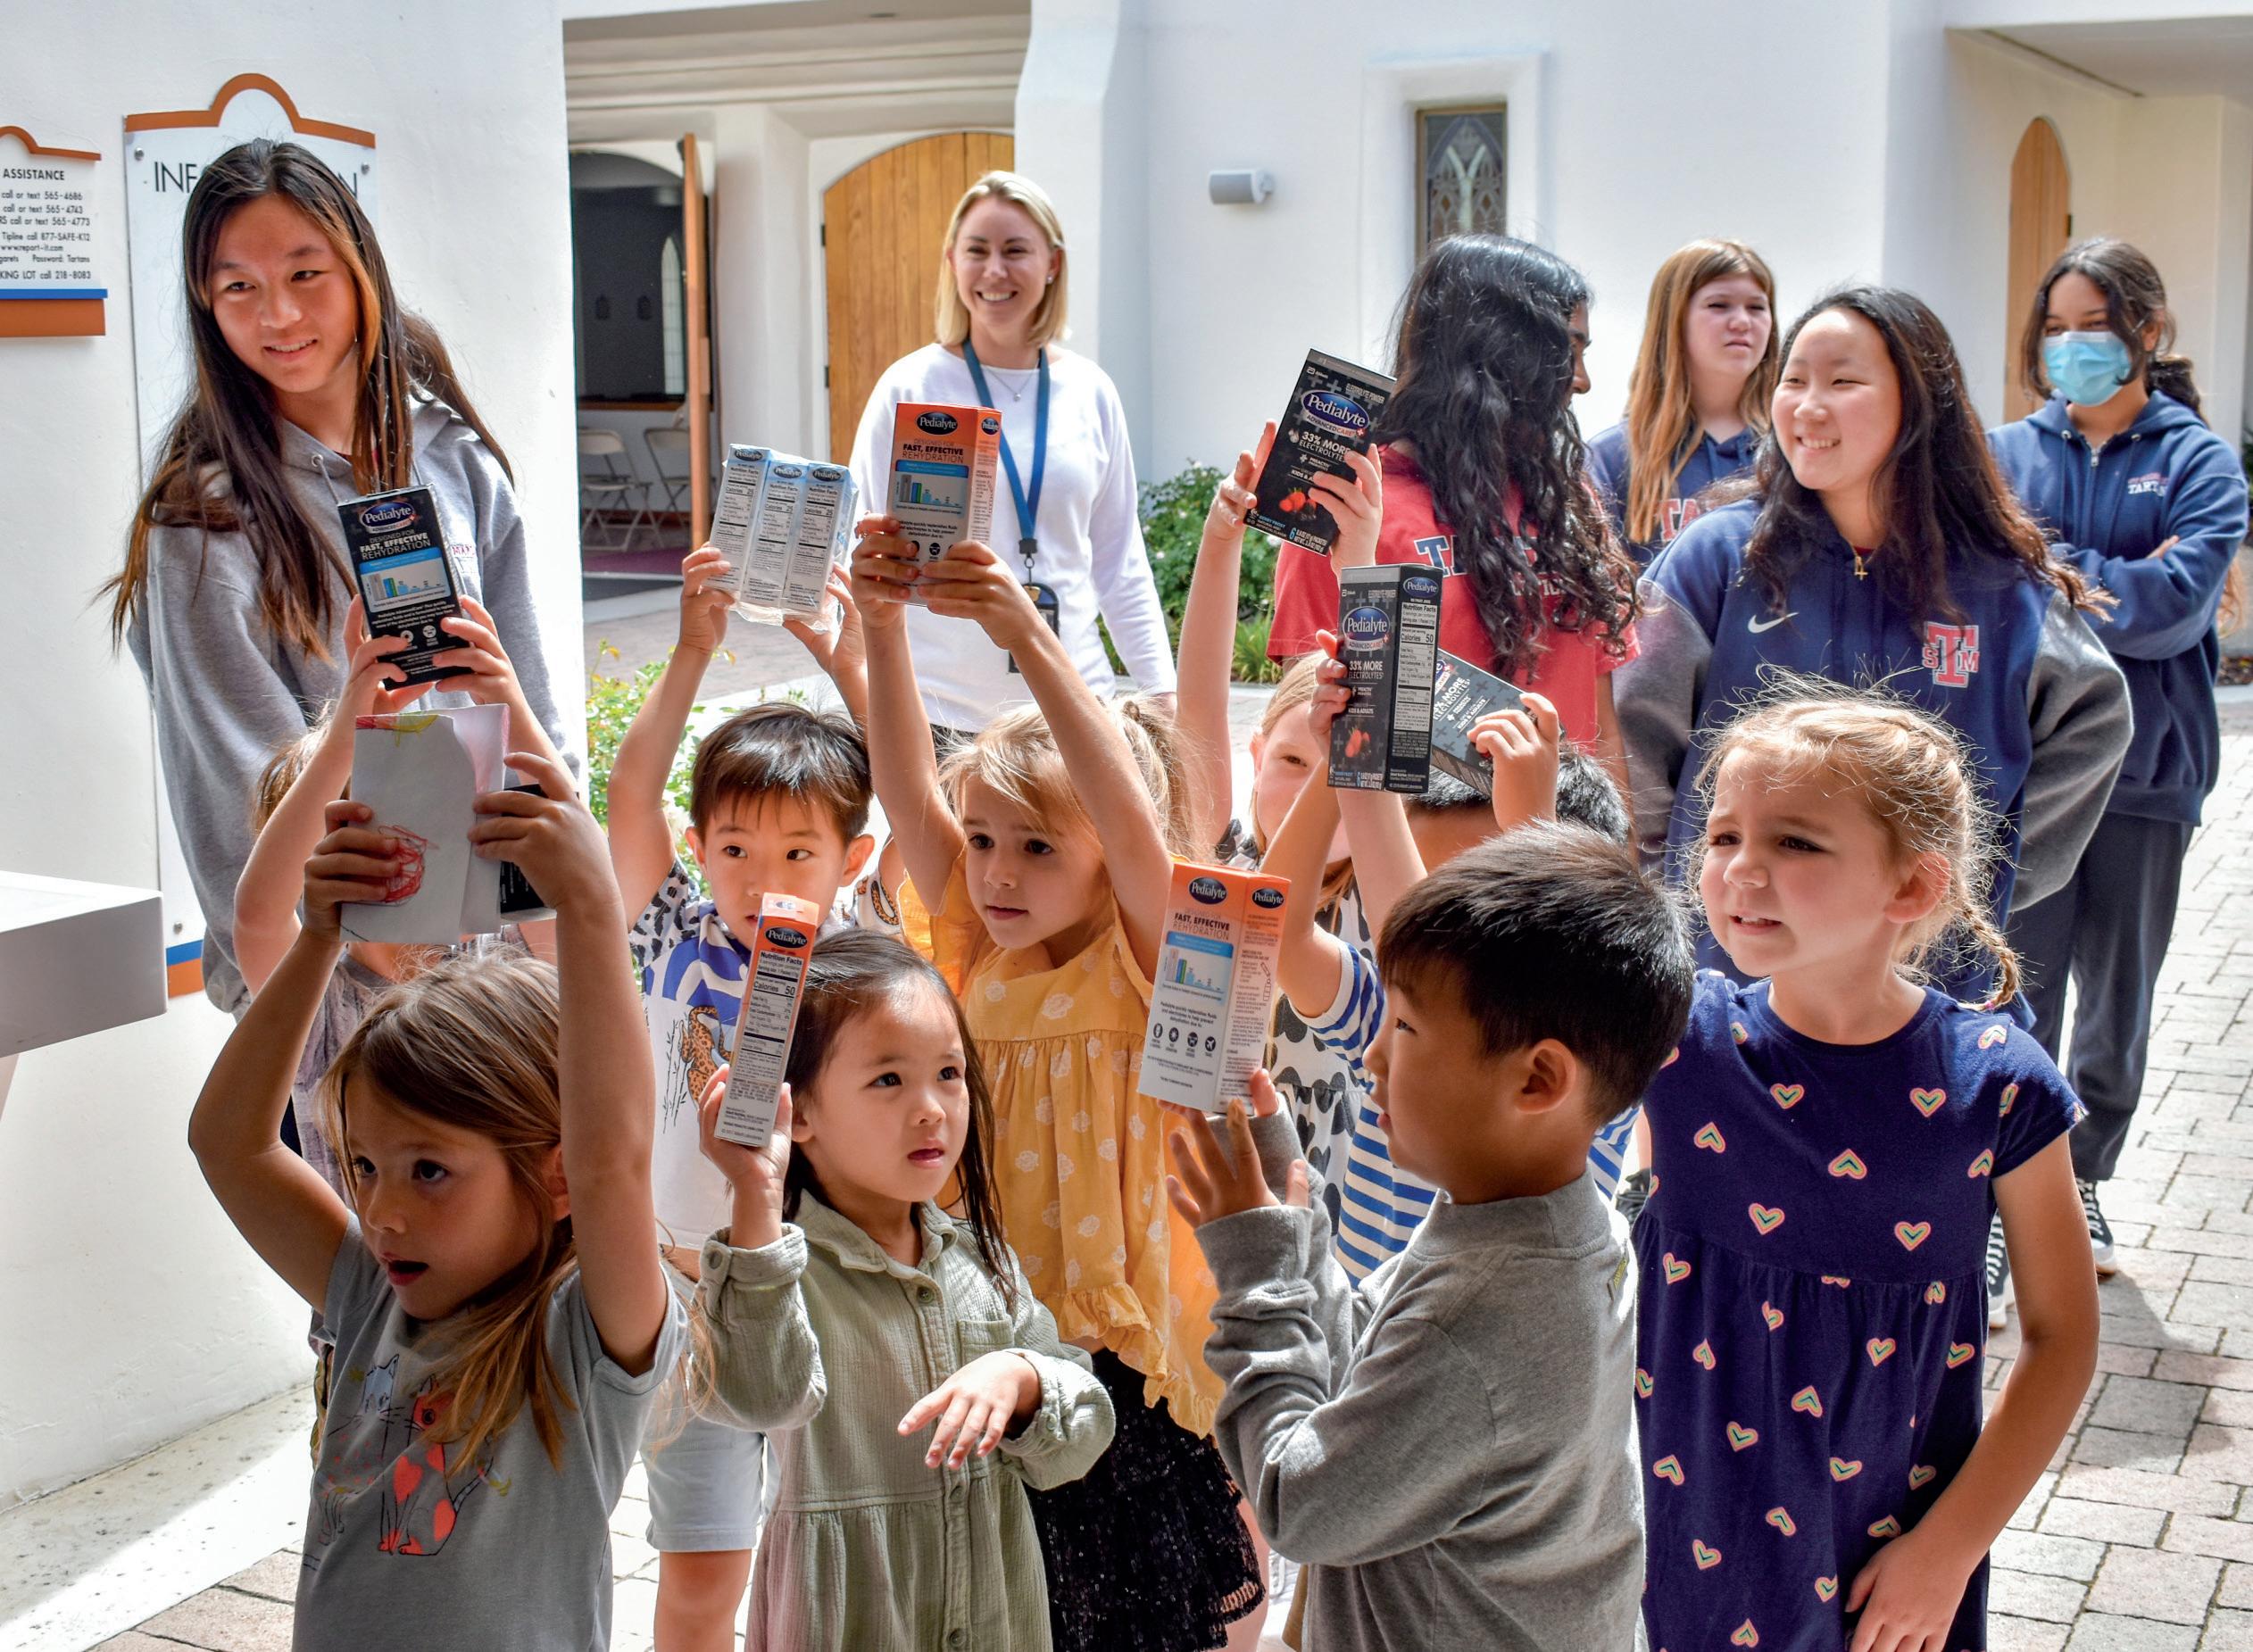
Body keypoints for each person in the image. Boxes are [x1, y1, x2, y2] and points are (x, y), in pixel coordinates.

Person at [852, 519, 1268, 1650]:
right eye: (985, 840)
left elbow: (1132, 830)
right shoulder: (978, 955)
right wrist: (882, 625)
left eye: (1037, 847)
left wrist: (1028, 636)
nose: (994, 872)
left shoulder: (1144, 960)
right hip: (984, 1341)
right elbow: (905, 787)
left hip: (1113, 1365)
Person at [1634, 685, 2099, 1652]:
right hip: (1680, 1550)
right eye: (1722, 837)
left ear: (1912, 889)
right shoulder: (1681, 1039)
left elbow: (2061, 1337)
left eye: (1794, 842)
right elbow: (1484, 982)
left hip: (1887, 1569)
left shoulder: (1997, 1082)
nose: (1741, 869)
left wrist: (1950, 1550)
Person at [186, 751, 685, 1649]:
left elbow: (614, 1161)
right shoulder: (367, 1294)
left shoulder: (583, 1336)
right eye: (364, 1165)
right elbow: (229, 1143)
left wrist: (589, 906)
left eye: (428, 1171)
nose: (380, 1212)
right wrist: (317, 940)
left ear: (556, 1175)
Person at [1166, 819, 1695, 1650]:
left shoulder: (1486, 1320)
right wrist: (1292, 1213)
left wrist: (1260, 1274)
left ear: (1538, 1078)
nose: (1373, 1057)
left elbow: (1298, 1503)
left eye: (1406, 1028)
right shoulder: (1546, 1224)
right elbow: (1366, 1359)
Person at [108, 138, 569, 1016]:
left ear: (361, 271)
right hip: (338, 997)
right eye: (238, 287)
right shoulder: (204, 523)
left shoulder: (458, 463)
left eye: (305, 274)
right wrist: (308, 998)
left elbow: (533, 716)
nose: (278, 314)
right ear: (206, 306)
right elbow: (236, 795)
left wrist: (552, 929)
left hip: (498, 979)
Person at [1616, 284, 2132, 1003]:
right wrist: (1677, 882)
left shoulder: (2002, 585)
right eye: (1793, 380)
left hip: (1932, 988)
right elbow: (1632, 733)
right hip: (1728, 984)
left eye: (1842, 381)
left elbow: (2094, 720)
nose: (1807, 405)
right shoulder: (1718, 559)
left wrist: (1976, 878)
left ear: (1918, 404)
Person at [604, 550, 888, 1651]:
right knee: (700, 1575)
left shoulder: (867, 954)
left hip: (833, 1302)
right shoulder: (673, 930)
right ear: (697, 850)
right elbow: (630, 794)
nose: (762, 874)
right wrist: (690, 652)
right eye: (733, 846)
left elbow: (920, 798)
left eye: (798, 850)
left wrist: (852, 662)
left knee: (836, 1568)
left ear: (852, 859)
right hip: (691, 1306)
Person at [691, 931, 1115, 1649]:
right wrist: (756, 1198)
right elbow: (756, 1395)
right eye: (889, 1079)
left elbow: (1084, 1436)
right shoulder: (776, 1269)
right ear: (800, 1112)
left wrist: (1021, 1376)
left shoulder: (982, 1264)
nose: (932, 1108)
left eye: (948, 1072)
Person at [1988, 237, 2249, 1283]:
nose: (2071, 346)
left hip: (2150, 773)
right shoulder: (2003, 456)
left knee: (2117, 996)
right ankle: (2008, 1190)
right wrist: (2108, 576)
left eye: (2092, 326)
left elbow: (2172, 608)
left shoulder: (2199, 462)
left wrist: (2048, 568)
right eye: (2055, 328)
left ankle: (2083, 1178)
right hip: (2030, 770)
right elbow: (1990, 587)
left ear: (2145, 329)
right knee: (2017, 983)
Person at [1267, 235, 1638, 773]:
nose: (1582, 381)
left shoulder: (1565, 503)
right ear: (1499, 354)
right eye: (1566, 353)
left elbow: (1601, 727)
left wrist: (1619, 830)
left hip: (1571, 826)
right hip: (1418, 829)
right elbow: (1309, 749)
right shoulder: (1350, 510)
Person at [234, 594, 566, 1189]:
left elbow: (577, 863)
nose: (399, 840)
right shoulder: (319, 1002)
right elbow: (258, 914)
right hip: (374, 1251)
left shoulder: (511, 955)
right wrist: (343, 744)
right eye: (353, 827)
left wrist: (507, 702)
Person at [845, 170, 1174, 742]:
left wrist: (1162, 693)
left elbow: (1120, 562)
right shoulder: (909, 386)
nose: (994, 270)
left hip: (1072, 710)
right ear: (952, 262)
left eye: (1015, 250)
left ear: (1052, 263)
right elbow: (853, 549)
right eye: (977, 251)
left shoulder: (1091, 391)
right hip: (939, 716)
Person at [1586, 238, 1778, 565]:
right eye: (1719, 305)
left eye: (1757, 307)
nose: (1742, 322)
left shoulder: (1791, 452)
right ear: (1673, 319)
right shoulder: (1610, 457)